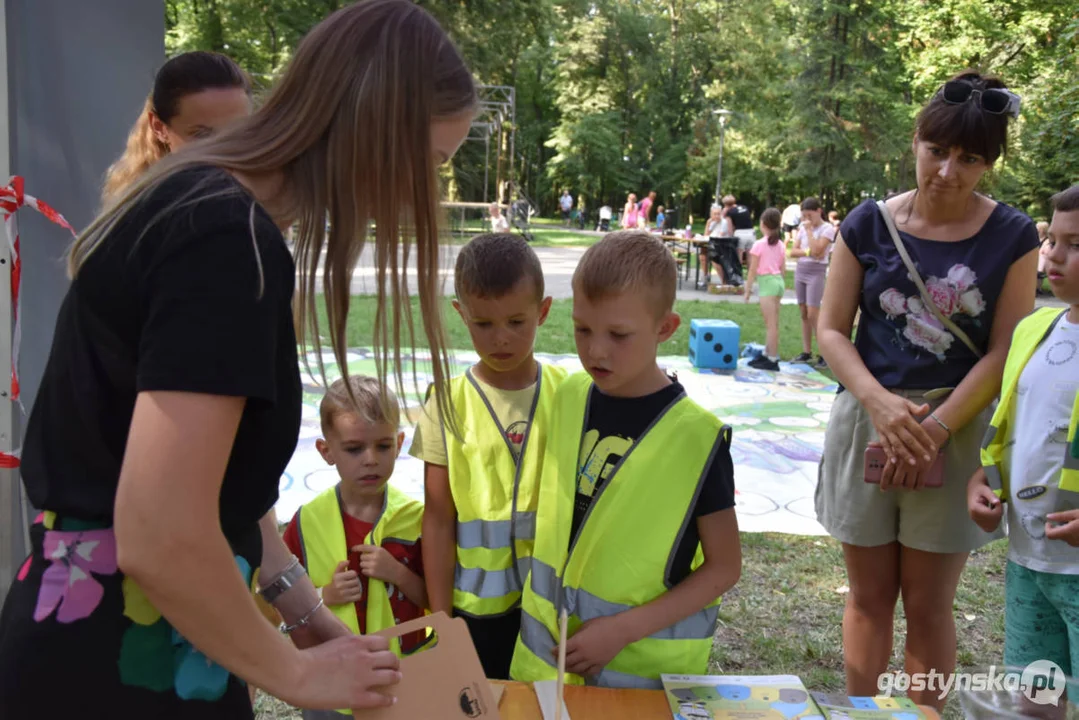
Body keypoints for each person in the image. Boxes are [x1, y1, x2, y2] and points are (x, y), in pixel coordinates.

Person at [0, 1, 476, 716]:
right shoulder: (223, 236)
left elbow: (221, 493)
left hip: (137, 631)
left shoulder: (207, 209)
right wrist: (299, 674)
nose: (422, 195)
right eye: (431, 162)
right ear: (375, 133)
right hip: (117, 666)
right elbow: (160, 531)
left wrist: (308, 621)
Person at [815, 70, 1038, 710]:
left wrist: (936, 429)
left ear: (989, 162)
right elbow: (831, 330)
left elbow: (1006, 348)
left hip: (957, 425)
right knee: (867, 595)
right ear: (916, 141)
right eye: (937, 151)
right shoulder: (867, 224)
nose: (948, 170)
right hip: (868, 419)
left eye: (970, 158)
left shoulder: (1014, 236)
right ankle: (863, 711)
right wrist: (880, 404)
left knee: (930, 603)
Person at [510, 231, 741, 688]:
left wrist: (621, 630)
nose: (596, 350)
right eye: (583, 329)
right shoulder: (569, 396)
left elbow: (724, 567)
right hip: (542, 669)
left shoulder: (697, 439)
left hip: (636, 679)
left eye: (618, 334)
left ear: (665, 328)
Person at [413, 233, 567, 680]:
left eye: (517, 322)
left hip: (549, 607)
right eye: (484, 324)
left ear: (543, 311)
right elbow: (438, 518)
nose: (501, 339)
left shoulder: (570, 396)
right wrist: (442, 623)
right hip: (473, 612)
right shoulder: (445, 401)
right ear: (461, 314)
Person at [970, 185, 1079, 701]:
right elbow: (1011, 430)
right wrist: (983, 481)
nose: (1054, 255)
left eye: (1075, 244)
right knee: (1034, 700)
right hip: (1028, 564)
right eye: (1052, 240)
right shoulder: (1034, 329)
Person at [283, 376, 427, 719]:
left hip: (403, 683)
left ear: (400, 443)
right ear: (326, 451)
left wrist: (398, 574)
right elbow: (281, 602)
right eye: (353, 448)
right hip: (330, 688)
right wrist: (324, 596)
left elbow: (438, 602)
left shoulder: (417, 520)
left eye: (383, 446)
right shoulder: (305, 522)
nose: (370, 459)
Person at [102, 51, 251, 205]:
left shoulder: (263, 197)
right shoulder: (148, 211)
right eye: (202, 135)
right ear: (159, 128)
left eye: (236, 132)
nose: (224, 150)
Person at [791, 197, 836, 367]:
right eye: (804, 217)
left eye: (810, 215)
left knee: (813, 313)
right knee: (803, 312)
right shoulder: (802, 228)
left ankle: (824, 353)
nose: (807, 220)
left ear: (819, 211)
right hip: (801, 270)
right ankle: (806, 351)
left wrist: (810, 233)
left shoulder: (827, 229)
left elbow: (819, 251)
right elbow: (793, 252)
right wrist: (808, 251)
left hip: (816, 272)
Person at [744, 208, 786, 371]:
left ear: (763, 224)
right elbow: (783, 269)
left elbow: (752, 270)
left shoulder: (759, 245)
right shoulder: (781, 244)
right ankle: (768, 354)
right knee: (773, 322)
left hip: (767, 283)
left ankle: (772, 359)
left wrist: (748, 290)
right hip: (777, 282)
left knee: (771, 325)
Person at [722, 195, 756, 267]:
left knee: (738, 257)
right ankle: (750, 277)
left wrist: (731, 238)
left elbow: (730, 228)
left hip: (740, 234)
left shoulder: (730, 212)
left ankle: (739, 276)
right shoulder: (744, 207)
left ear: (725, 205)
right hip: (751, 233)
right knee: (750, 257)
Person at [1037, 220, 1051, 294]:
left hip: (1043, 261)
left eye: (1038, 228)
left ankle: (1037, 288)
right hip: (1037, 260)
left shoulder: (1047, 240)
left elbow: (1042, 251)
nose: (1036, 229)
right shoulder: (1036, 239)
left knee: (1042, 256)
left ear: (1042, 230)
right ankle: (1037, 288)